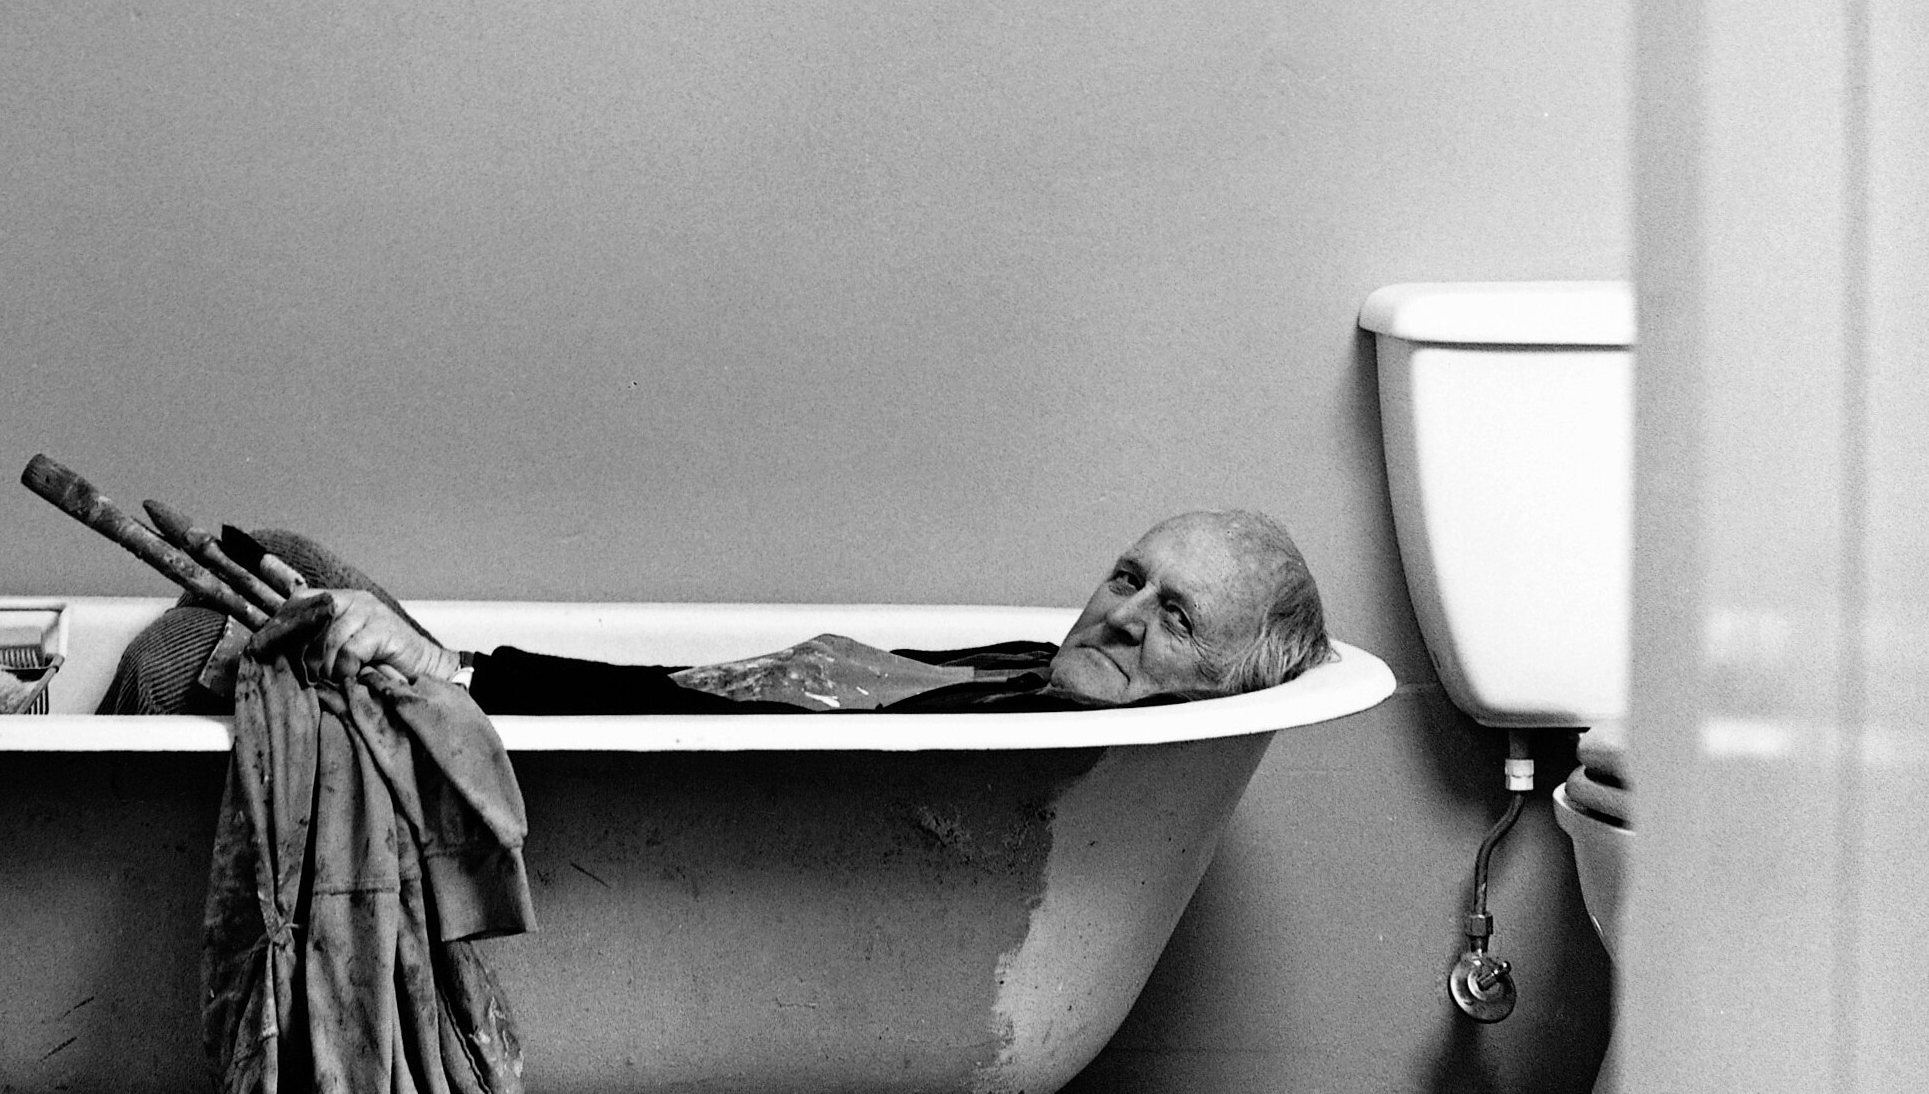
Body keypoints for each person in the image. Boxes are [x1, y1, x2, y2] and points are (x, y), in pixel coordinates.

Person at [128, 503, 1330, 714]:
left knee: (232, 641)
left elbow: (684, 724)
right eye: (1129, 578)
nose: (1122, 616)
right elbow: (707, 696)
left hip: (522, 743)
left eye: (1178, 619)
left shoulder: (1025, 736)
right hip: (521, 713)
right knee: (275, 564)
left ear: (1236, 684)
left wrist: (450, 675)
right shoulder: (1018, 668)